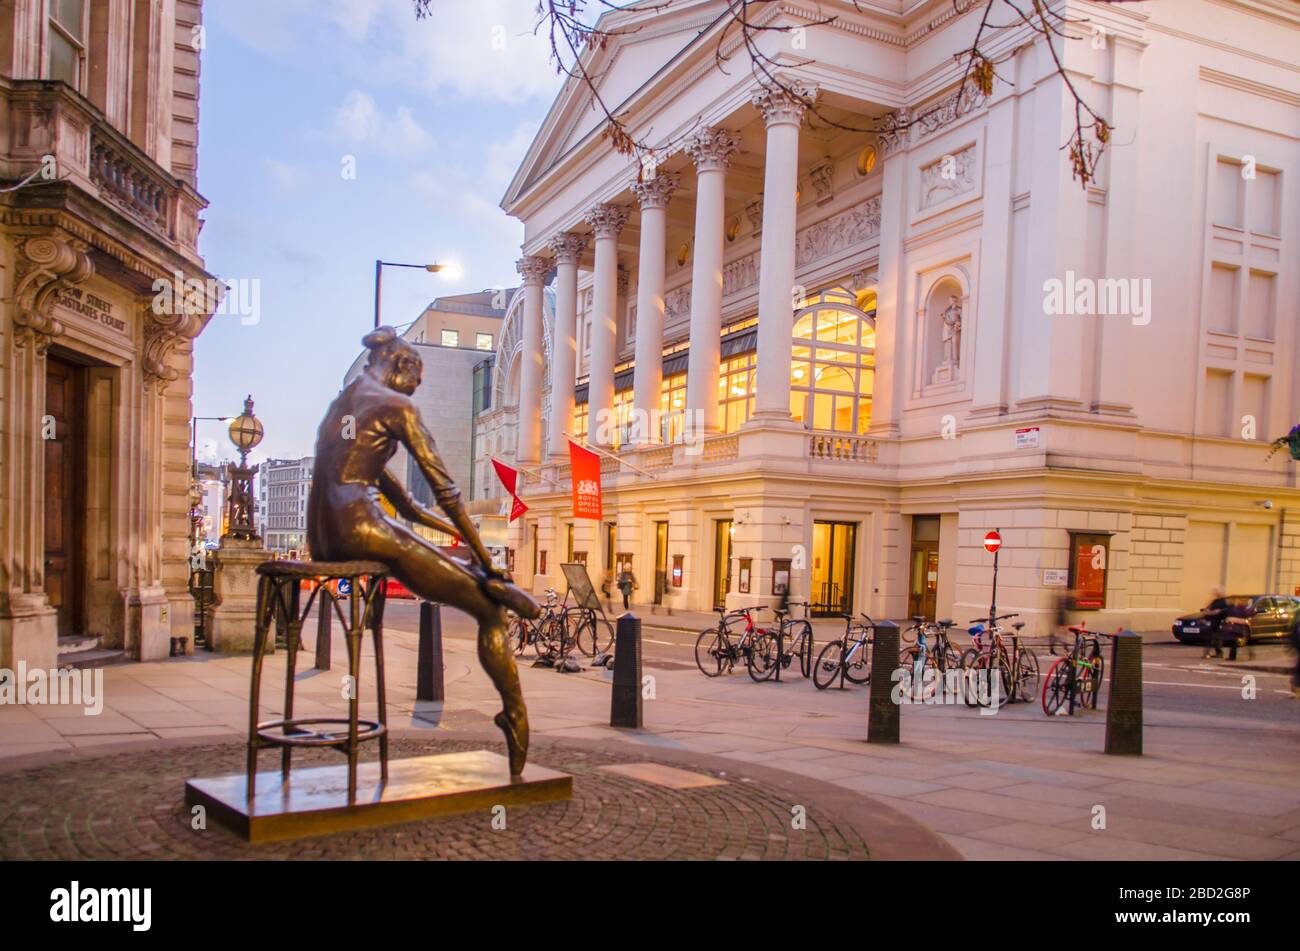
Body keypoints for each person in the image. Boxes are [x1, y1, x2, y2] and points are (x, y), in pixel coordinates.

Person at [307, 327, 539, 775]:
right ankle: (514, 716)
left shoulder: (345, 404)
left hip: (328, 533)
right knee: (489, 612)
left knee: (475, 580)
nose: (418, 389)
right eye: (417, 380)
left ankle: (494, 586)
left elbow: (411, 508)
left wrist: (476, 557)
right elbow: (446, 492)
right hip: (362, 527)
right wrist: (487, 561)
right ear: (401, 368)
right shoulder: (398, 406)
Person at [1202, 587, 1237, 661]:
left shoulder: (1222, 602)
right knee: (1211, 638)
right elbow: (1209, 610)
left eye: (1215, 592)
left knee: (1215, 638)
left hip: (1218, 622)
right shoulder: (1215, 601)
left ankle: (1218, 653)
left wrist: (1210, 612)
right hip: (1213, 622)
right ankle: (1211, 653)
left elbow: (1218, 612)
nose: (1213, 593)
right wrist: (1207, 614)